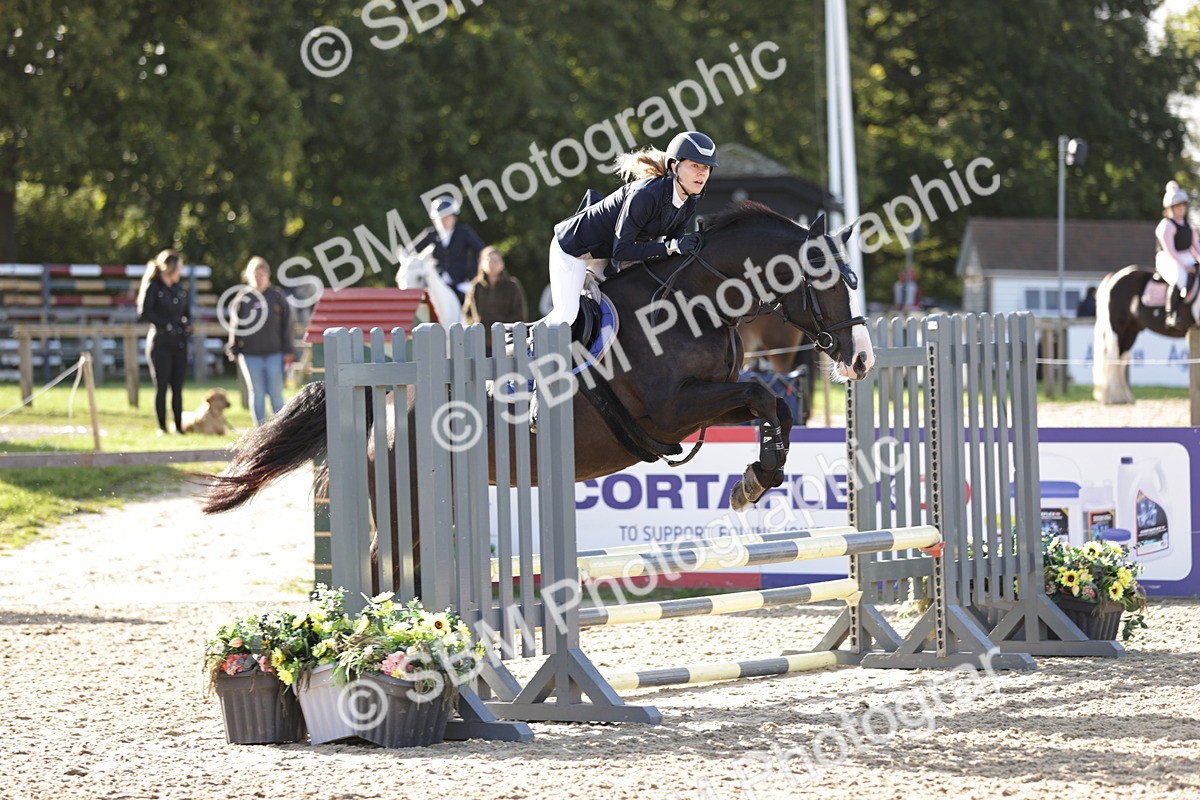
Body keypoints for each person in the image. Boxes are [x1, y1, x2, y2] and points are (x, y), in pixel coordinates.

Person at [545, 130, 718, 327]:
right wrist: (671, 247)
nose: (702, 173)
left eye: (706, 167)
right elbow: (623, 250)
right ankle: (530, 342)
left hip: (606, 253)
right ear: (674, 166)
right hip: (574, 248)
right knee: (567, 316)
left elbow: (673, 246)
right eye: (695, 165)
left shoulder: (689, 202)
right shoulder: (645, 195)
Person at [225, 256, 294, 425]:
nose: (259, 278)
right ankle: (260, 429)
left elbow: (287, 325)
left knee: (276, 394)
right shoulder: (243, 297)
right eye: (255, 274)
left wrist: (288, 350)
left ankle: (279, 428)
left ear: (268, 275)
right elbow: (236, 325)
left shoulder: (277, 296)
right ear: (249, 276)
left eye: (262, 274)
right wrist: (234, 349)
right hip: (251, 354)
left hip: (274, 353)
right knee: (256, 393)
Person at [137, 249, 190, 435]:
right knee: (161, 386)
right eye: (178, 268)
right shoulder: (154, 287)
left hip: (179, 342)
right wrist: (166, 324)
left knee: (178, 387)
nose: (180, 272)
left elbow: (187, 312)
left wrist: (185, 325)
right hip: (160, 342)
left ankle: (178, 426)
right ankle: (162, 426)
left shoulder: (179, 288)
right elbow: (145, 312)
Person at [409, 197, 486, 304]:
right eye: (441, 218)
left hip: (460, 281)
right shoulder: (430, 234)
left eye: (447, 217)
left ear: (454, 217)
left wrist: (471, 274)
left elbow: (481, 251)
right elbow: (411, 251)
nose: (444, 220)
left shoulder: (463, 232)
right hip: (437, 281)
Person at [461, 247, 528, 352]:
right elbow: (467, 313)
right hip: (479, 342)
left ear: (502, 264)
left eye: (495, 260)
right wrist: (475, 330)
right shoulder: (476, 286)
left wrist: (503, 332)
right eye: (488, 260)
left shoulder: (512, 286)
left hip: (506, 341)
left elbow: (519, 314)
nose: (491, 263)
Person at [1156, 180, 1200, 329]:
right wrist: (1185, 267)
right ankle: (1171, 314)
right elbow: (1170, 251)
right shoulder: (1166, 226)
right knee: (1179, 278)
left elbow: (1196, 247)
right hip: (1167, 259)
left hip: (1185, 256)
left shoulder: (1190, 225)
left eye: (1182, 205)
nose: (1180, 208)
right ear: (1170, 208)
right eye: (1177, 206)